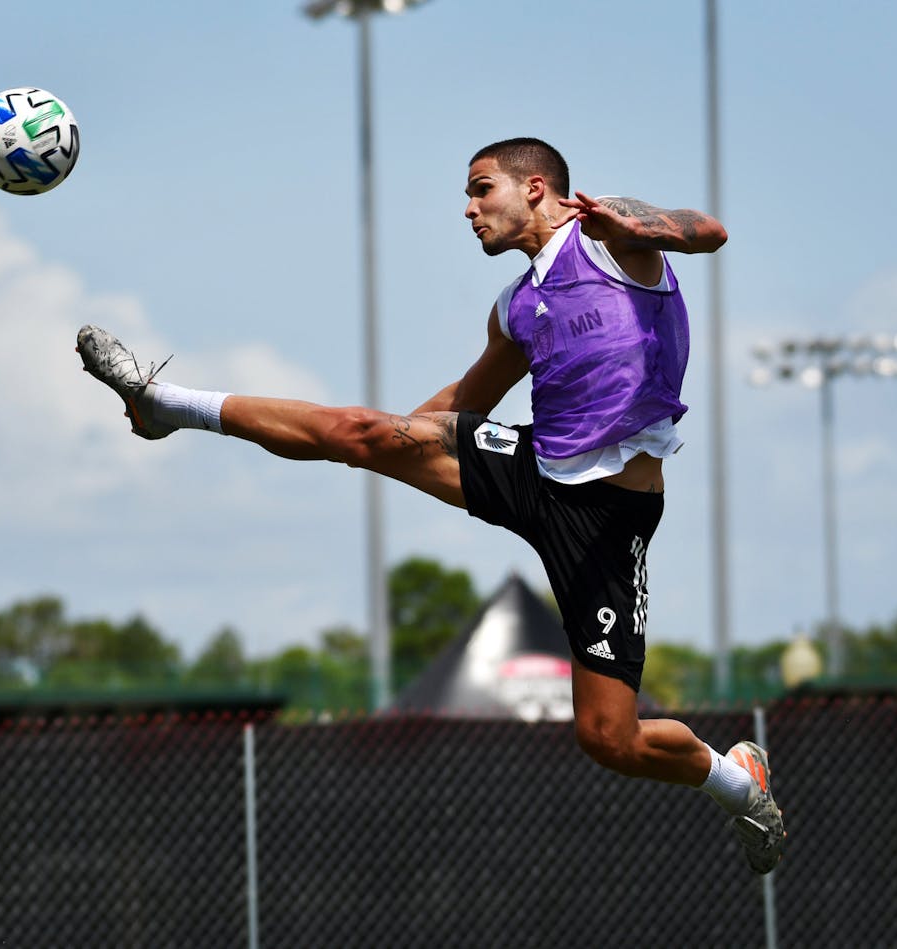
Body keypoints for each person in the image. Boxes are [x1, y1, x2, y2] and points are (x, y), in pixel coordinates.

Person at [75, 137, 785, 874]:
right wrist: (381, 443)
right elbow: (467, 402)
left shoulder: (613, 243)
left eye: (482, 191)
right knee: (357, 429)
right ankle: (162, 404)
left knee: (610, 739)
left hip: (608, 520)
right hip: (534, 470)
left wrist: (644, 227)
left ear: (536, 188)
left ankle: (737, 780)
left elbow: (709, 230)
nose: (469, 209)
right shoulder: (517, 306)